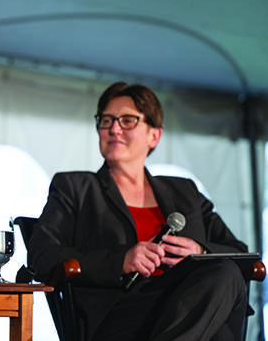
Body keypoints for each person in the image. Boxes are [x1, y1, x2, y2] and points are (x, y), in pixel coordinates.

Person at [27, 82, 249, 341]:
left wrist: (200, 252)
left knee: (225, 275)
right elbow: (41, 255)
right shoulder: (75, 187)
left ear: (154, 135)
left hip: (187, 305)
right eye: (106, 120)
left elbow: (239, 252)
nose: (114, 128)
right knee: (219, 332)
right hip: (116, 315)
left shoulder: (184, 192)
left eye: (128, 120)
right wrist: (120, 261)